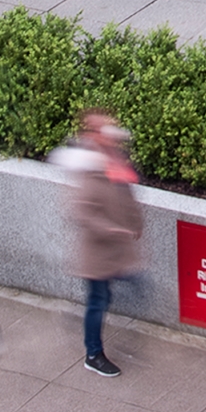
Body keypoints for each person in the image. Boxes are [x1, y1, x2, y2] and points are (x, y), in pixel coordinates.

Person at [59, 106, 143, 376]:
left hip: (115, 248)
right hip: (97, 253)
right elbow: (80, 211)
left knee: (109, 294)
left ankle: (84, 329)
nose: (108, 131)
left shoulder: (114, 158)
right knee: (98, 299)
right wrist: (111, 229)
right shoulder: (87, 167)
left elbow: (125, 193)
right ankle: (93, 354)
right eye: (100, 128)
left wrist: (135, 222)